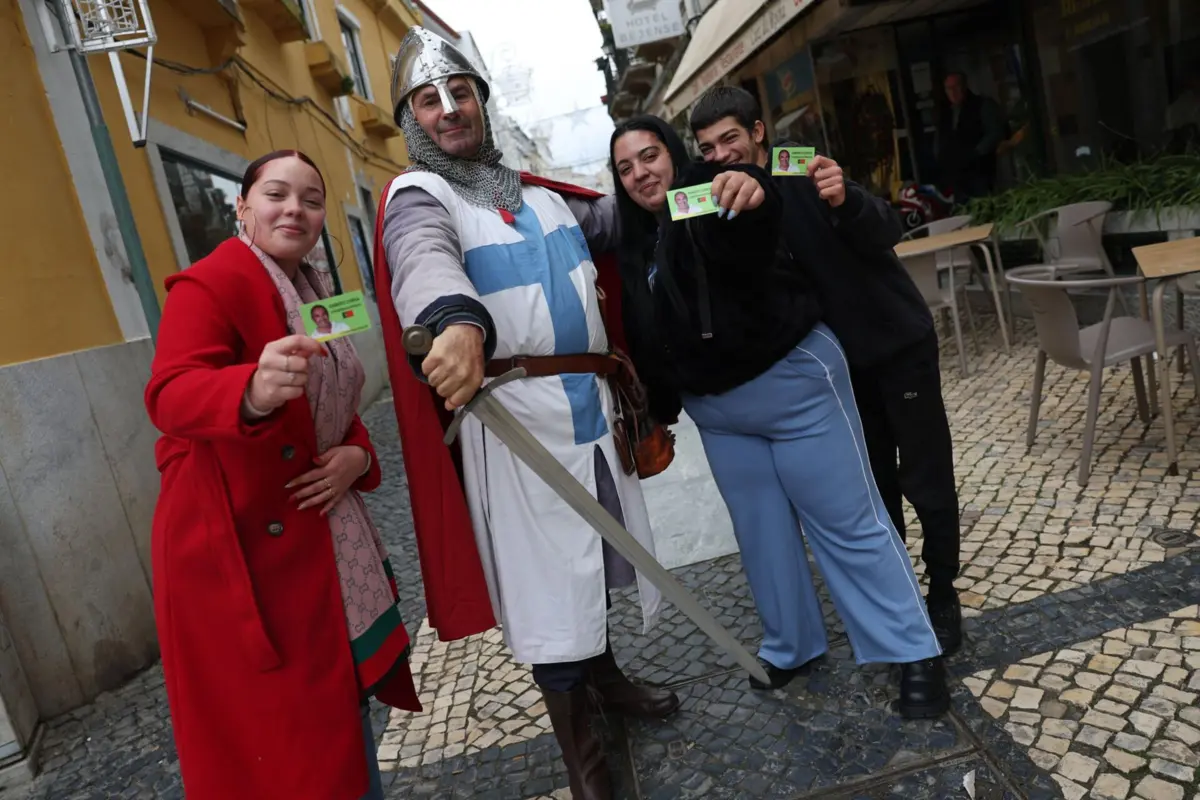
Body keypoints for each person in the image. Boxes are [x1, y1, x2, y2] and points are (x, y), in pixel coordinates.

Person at [370, 27, 766, 799]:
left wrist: (733, 180)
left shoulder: (547, 199)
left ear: (483, 103)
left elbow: (632, 217)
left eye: (461, 94)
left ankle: (609, 680)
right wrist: (453, 322)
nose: (450, 110)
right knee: (551, 586)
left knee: (594, 558)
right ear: (412, 120)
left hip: (588, 409)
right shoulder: (421, 197)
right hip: (515, 425)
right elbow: (423, 262)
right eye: (429, 100)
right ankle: (583, 760)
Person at [610, 114, 949, 720]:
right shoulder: (636, 240)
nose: (640, 172)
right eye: (626, 167)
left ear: (675, 155)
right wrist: (661, 410)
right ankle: (792, 646)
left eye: (649, 155)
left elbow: (748, 225)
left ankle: (915, 653)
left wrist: (752, 194)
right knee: (761, 533)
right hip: (718, 414)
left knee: (849, 522)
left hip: (794, 384)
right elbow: (648, 333)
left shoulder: (711, 192)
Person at [144, 149, 419, 800]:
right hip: (239, 551)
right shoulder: (212, 283)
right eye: (276, 193)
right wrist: (249, 391)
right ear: (242, 207)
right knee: (290, 743)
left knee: (340, 710)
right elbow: (169, 395)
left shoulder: (318, 289)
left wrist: (358, 456)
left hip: (316, 535)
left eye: (311, 199)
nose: (294, 207)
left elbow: (337, 406)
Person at [688, 86, 964, 657]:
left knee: (926, 477)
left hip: (895, 344)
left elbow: (886, 225)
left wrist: (847, 200)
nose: (721, 155)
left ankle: (942, 590)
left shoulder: (800, 168)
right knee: (875, 489)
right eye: (708, 147)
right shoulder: (716, 203)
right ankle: (901, 592)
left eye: (730, 139)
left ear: (758, 133)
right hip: (833, 372)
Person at [938, 72, 1005, 200]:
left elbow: (995, 132)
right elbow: (940, 139)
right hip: (955, 175)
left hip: (980, 171)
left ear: (964, 86)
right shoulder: (946, 113)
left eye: (956, 87)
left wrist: (977, 153)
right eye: (948, 88)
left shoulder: (982, 105)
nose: (953, 92)